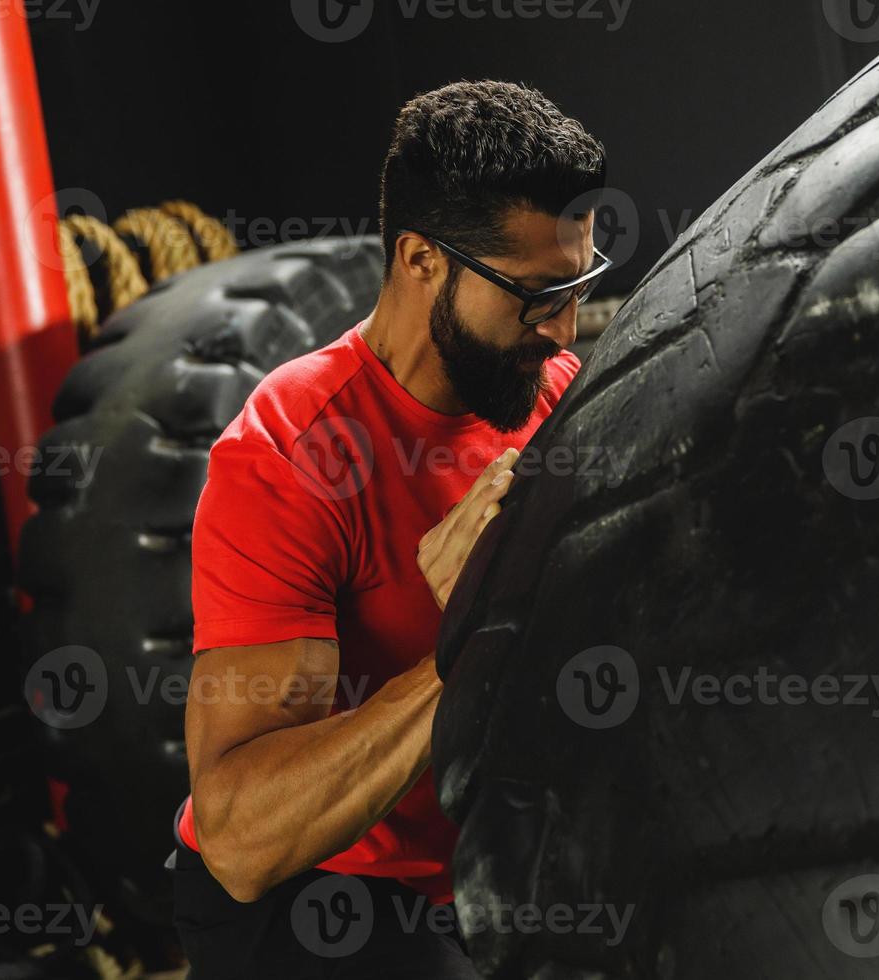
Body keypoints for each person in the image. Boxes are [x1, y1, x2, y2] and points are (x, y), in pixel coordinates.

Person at [169, 80, 609, 978]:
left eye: (579, 284)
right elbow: (243, 838)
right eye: (534, 294)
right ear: (419, 261)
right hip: (327, 886)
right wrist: (466, 635)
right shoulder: (288, 456)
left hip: (493, 855)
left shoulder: (553, 393)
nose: (563, 328)